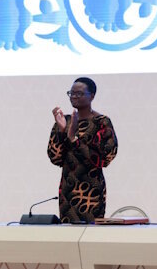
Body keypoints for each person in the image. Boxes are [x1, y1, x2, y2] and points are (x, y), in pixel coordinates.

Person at [48, 77, 118, 223]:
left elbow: (105, 159)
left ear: (92, 96)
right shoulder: (64, 121)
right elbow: (55, 158)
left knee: (91, 232)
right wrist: (62, 131)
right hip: (68, 189)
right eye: (71, 93)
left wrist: (74, 139)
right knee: (67, 232)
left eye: (79, 93)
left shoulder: (101, 122)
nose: (74, 97)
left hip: (91, 190)